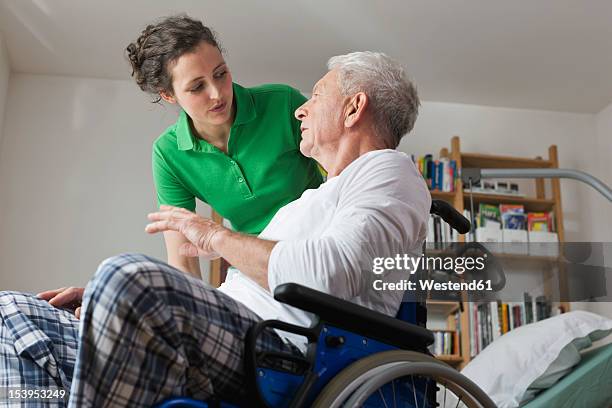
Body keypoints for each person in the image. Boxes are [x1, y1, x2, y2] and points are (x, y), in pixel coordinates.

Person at [0, 51, 429, 407]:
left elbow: (329, 275)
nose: (301, 108)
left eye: (316, 95)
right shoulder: (310, 200)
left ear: (353, 108)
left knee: (125, 275)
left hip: (281, 348)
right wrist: (107, 303)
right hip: (225, 327)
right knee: (15, 315)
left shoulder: (389, 171)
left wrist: (213, 236)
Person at [128, 14, 323, 278]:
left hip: (320, 241)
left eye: (220, 74)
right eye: (197, 87)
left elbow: (341, 172)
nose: (217, 93)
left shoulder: (282, 102)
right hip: (256, 264)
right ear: (168, 95)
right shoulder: (168, 153)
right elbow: (183, 259)